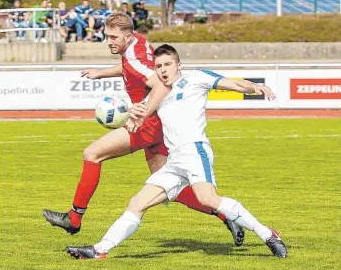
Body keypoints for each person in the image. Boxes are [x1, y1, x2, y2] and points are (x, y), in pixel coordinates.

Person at [65, 44, 287, 259]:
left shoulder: (196, 78)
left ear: (179, 64)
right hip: (174, 161)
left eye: (167, 64)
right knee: (137, 203)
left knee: (208, 199)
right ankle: (98, 250)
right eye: (158, 66)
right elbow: (141, 112)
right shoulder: (158, 95)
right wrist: (133, 118)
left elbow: (236, 85)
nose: (163, 70)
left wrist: (253, 88)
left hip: (194, 151)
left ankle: (267, 234)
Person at [42, 12, 244, 247]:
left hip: (147, 125)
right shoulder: (138, 42)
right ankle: (225, 214)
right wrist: (101, 73)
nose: (109, 41)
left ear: (127, 37)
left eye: (114, 37)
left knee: (92, 154)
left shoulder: (135, 55)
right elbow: (130, 67)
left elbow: (160, 86)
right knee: (169, 188)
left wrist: (140, 115)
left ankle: (74, 218)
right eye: (107, 36)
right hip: (159, 125)